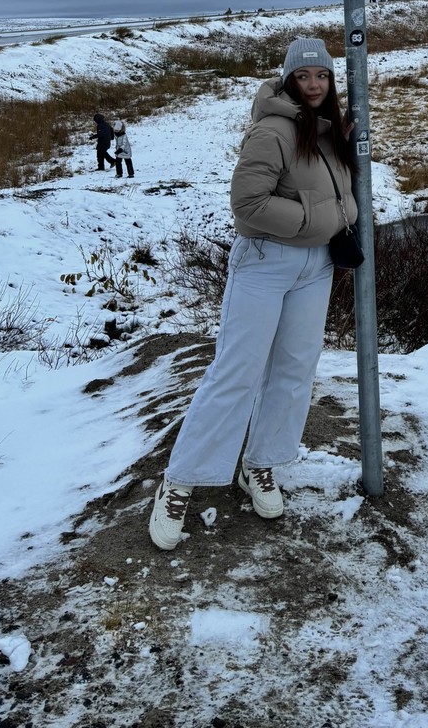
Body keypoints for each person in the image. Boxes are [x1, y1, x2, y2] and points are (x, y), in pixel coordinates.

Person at [148, 38, 357, 550]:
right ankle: (179, 482)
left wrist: (342, 217)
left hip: (316, 267)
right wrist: (317, 221)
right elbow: (248, 204)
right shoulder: (272, 129)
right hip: (265, 262)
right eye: (304, 76)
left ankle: (258, 465)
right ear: (288, 79)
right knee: (237, 371)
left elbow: (343, 194)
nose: (313, 85)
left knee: (294, 369)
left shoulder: (331, 132)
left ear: (331, 83)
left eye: (321, 76)